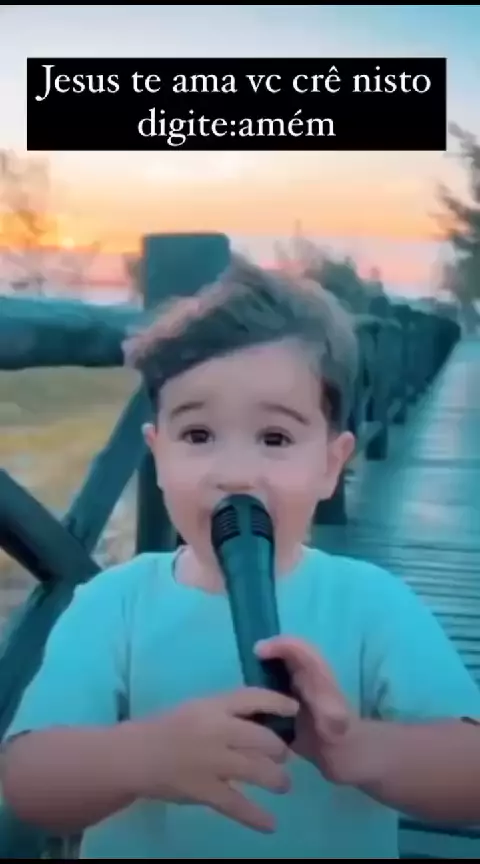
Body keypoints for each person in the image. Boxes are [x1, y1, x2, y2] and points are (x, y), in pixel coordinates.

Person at [2, 256, 480, 859]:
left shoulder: (372, 603)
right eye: (198, 435)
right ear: (158, 454)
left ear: (330, 464)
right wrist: (143, 755)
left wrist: (356, 747)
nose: (234, 473)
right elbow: (28, 782)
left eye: (275, 438)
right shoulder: (112, 604)